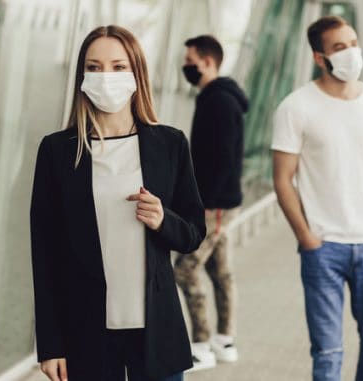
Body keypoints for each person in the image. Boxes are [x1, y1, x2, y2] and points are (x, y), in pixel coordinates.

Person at [30, 25, 206, 381]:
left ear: (136, 73)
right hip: (87, 336)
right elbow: (45, 255)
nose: (105, 77)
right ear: (82, 76)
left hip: (156, 333)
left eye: (117, 66)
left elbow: (193, 233)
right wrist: (51, 345)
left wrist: (162, 220)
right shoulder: (58, 151)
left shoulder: (169, 144)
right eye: (94, 68)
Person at [271, 16, 363, 381]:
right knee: (328, 353)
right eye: (339, 47)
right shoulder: (295, 107)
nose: (351, 53)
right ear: (320, 58)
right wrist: (306, 237)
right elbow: (282, 179)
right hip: (324, 248)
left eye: (352, 43)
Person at [174, 35, 248, 371]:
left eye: (189, 60)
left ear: (207, 62)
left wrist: (203, 205)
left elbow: (222, 159)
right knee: (219, 270)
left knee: (186, 269)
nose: (185, 65)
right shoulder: (214, 98)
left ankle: (201, 344)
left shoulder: (219, 102)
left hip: (214, 205)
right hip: (217, 202)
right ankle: (224, 340)